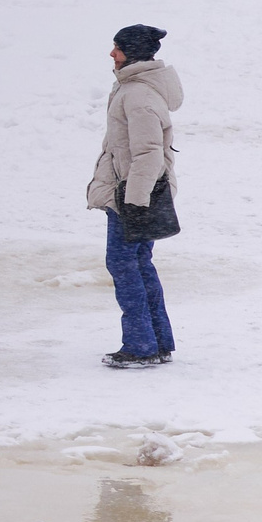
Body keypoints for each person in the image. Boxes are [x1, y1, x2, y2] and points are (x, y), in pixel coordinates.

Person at [88, 25, 180, 369]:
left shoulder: (138, 96)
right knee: (138, 265)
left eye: (117, 49)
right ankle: (156, 341)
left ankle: (141, 345)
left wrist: (134, 201)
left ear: (134, 53)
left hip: (133, 196)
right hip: (135, 193)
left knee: (125, 265)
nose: (112, 54)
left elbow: (148, 153)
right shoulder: (135, 89)